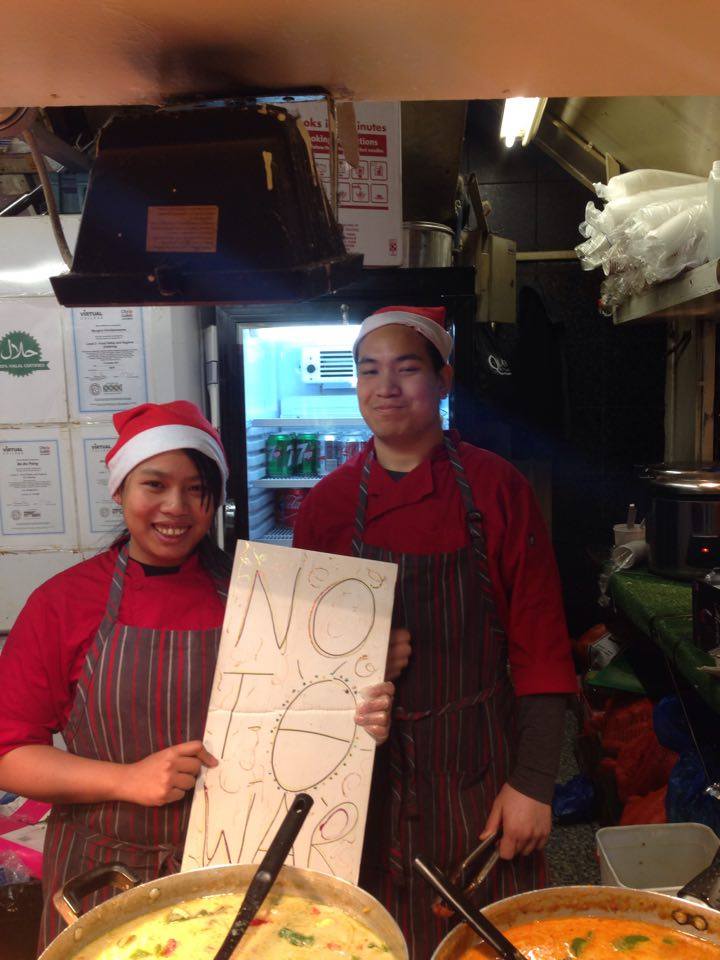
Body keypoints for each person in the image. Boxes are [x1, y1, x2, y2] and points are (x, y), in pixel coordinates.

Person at [0, 400, 393, 952]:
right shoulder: (63, 603)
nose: (175, 507)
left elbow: (308, 720)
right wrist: (127, 780)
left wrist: (358, 719)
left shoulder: (267, 598)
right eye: (154, 485)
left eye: (196, 490)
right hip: (104, 873)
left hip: (241, 874)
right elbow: (10, 754)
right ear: (120, 490)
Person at [293, 306, 577, 959]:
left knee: (491, 938)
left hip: (479, 767)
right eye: (369, 371)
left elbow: (541, 646)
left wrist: (534, 782)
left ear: (444, 380)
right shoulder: (327, 506)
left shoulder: (498, 489)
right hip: (364, 779)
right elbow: (306, 672)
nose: (385, 387)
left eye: (407, 369)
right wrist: (362, 664)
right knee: (372, 940)